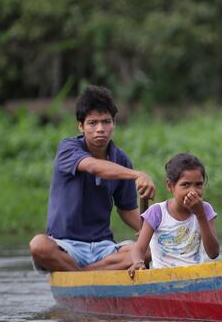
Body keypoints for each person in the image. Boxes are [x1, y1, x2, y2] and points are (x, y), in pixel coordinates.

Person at [29, 85, 156, 272]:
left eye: (106, 122)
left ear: (114, 123)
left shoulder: (120, 160)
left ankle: (83, 275)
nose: (100, 129)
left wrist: (149, 231)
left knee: (151, 249)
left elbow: (127, 209)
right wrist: (137, 174)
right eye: (92, 123)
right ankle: (90, 275)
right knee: (38, 245)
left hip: (103, 248)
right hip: (66, 246)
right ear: (81, 126)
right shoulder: (68, 148)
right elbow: (94, 167)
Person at [128, 153, 220, 278]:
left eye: (198, 184)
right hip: (163, 279)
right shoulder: (157, 212)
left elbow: (213, 253)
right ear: (170, 186)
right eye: (185, 185)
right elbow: (139, 249)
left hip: (196, 278)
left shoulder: (205, 209)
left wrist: (200, 215)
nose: (193, 191)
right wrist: (138, 263)